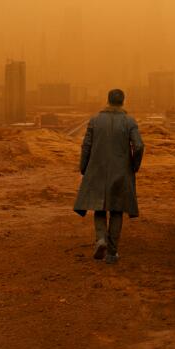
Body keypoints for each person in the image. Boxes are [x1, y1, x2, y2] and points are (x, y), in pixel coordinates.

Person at [73, 88, 144, 264]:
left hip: (97, 169)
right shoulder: (129, 121)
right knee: (117, 209)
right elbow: (139, 146)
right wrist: (133, 166)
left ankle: (101, 239)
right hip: (121, 171)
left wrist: (84, 167)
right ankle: (112, 253)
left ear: (108, 100)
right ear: (123, 101)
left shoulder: (95, 120)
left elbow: (86, 146)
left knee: (99, 207)